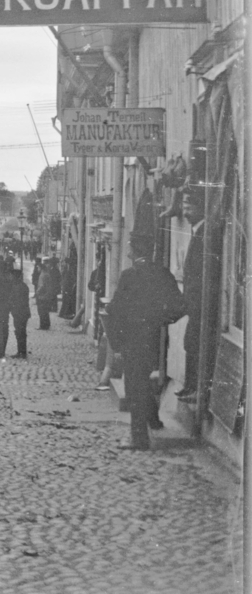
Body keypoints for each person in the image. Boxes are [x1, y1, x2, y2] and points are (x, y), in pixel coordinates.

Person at [106, 233, 187, 450]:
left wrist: (116, 340)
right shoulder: (163, 274)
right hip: (154, 339)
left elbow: (115, 309)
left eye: (130, 246)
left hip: (132, 339)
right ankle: (154, 420)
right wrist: (160, 320)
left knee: (135, 387)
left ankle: (139, 438)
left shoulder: (129, 276)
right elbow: (180, 306)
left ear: (134, 250)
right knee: (142, 382)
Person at [177, 188, 205, 403]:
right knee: (190, 344)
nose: (185, 213)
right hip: (194, 306)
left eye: (189, 208)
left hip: (201, 307)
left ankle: (194, 388)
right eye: (184, 208)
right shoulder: (198, 232)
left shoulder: (205, 235)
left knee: (195, 345)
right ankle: (189, 386)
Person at [9, 265, 31, 358]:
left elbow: (17, 301)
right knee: (21, 332)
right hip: (23, 312)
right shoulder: (22, 285)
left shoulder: (18, 287)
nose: (10, 277)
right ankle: (22, 351)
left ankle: (21, 352)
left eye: (12, 276)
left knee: (20, 332)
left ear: (15, 277)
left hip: (19, 313)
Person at [35, 253, 61, 330]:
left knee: (41, 311)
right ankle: (46, 325)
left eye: (38, 267)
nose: (37, 269)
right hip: (47, 295)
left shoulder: (42, 275)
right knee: (46, 311)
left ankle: (42, 325)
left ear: (41, 268)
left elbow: (42, 286)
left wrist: (37, 292)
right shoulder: (47, 274)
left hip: (42, 296)